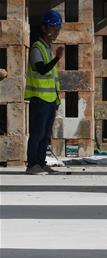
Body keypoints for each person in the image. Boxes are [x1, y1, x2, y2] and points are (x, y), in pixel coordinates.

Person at [24, 10, 64, 175]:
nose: (55, 32)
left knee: (45, 134)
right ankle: (32, 164)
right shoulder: (37, 47)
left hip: (49, 100)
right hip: (39, 99)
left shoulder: (47, 48)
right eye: (53, 28)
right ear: (44, 28)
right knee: (37, 133)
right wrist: (56, 59)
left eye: (57, 28)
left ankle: (41, 162)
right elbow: (41, 69)